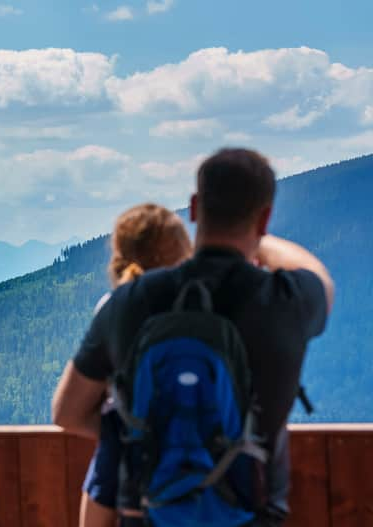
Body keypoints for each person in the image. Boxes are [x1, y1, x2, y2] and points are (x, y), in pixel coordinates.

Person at [52, 148, 334, 526]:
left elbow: (67, 412)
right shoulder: (285, 300)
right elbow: (318, 276)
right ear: (264, 216)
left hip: (149, 512)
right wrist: (258, 240)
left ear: (195, 207)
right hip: (249, 515)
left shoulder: (130, 301)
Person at [81, 203, 193, 527]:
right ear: (184, 251)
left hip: (133, 468)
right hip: (213, 455)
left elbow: (66, 412)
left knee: (113, 422)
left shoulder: (117, 306)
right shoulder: (205, 301)